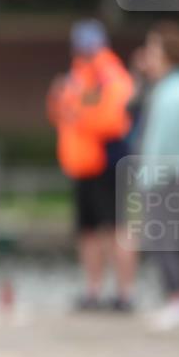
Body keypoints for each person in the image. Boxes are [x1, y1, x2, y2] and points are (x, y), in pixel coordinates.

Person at [47, 19, 135, 311]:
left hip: (105, 162)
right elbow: (61, 113)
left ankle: (124, 293)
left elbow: (111, 120)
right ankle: (93, 290)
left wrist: (75, 112)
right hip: (82, 164)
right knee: (87, 231)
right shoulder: (78, 74)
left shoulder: (108, 74)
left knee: (114, 228)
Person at [138, 21, 179, 331]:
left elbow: (159, 144)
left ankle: (177, 299)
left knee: (166, 240)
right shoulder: (168, 88)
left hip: (167, 177)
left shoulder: (172, 93)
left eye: (153, 48)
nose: (147, 55)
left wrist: (146, 179)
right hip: (170, 175)